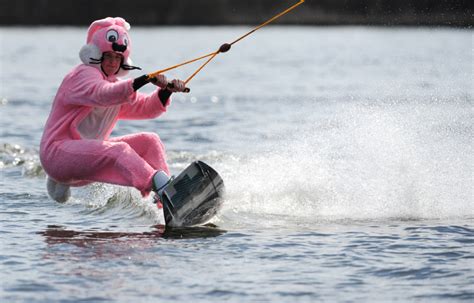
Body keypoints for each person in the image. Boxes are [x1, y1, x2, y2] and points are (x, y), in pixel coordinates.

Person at [40, 17, 186, 205]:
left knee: (150, 141)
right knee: (119, 150)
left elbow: (144, 108)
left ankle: (165, 203)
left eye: (117, 58)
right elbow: (101, 94)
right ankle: (163, 186)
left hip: (89, 161)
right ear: (96, 54)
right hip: (57, 155)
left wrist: (165, 92)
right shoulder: (81, 76)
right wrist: (140, 81)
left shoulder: (116, 88)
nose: (112, 62)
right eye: (108, 56)